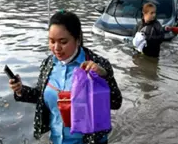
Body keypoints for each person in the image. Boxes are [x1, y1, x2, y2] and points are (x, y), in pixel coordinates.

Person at [9, 10, 123, 144]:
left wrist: (103, 77)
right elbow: (41, 96)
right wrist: (21, 90)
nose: (56, 48)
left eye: (63, 42)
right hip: (56, 140)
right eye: (51, 41)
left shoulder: (97, 65)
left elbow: (116, 103)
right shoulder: (48, 64)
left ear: (77, 39)